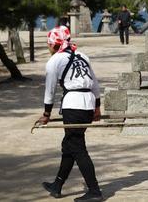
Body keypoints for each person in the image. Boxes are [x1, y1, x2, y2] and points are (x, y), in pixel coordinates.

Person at [37, 25, 103, 202]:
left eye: (49, 43)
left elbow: (49, 90)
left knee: (77, 147)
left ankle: (95, 190)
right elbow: (94, 83)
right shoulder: (82, 56)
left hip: (73, 105)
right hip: (87, 104)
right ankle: (57, 185)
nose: (48, 47)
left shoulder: (54, 60)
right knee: (69, 145)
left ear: (53, 44)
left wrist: (46, 113)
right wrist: (97, 107)